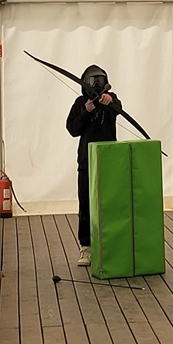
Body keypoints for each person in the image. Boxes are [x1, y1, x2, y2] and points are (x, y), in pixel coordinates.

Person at [66, 64, 121, 266]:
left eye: (100, 81)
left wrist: (110, 101)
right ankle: (86, 247)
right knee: (86, 205)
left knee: (110, 203)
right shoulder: (80, 103)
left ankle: (109, 244)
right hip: (86, 161)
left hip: (109, 160)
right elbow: (72, 129)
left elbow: (119, 110)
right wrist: (86, 112)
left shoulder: (111, 98)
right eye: (93, 81)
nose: (96, 84)